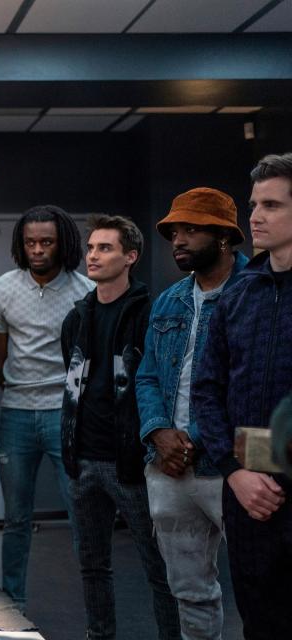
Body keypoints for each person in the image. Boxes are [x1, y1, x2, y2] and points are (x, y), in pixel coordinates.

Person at [135, 188, 248, 639]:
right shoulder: (169, 300)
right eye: (174, 231)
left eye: (191, 229)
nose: (178, 239)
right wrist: (158, 430)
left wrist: (194, 437)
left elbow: (247, 384)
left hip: (229, 463)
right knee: (189, 592)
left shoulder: (254, 292)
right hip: (169, 465)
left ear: (223, 237)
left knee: (263, 584)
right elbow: (146, 375)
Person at [60, 215, 179, 639]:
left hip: (130, 461)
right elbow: (74, 385)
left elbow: (160, 383)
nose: (93, 255)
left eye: (104, 248)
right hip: (82, 458)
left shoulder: (150, 313)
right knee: (92, 567)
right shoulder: (77, 317)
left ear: (130, 256)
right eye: (91, 248)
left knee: (159, 568)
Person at [193, 152, 292, 639]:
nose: (255, 217)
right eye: (255, 204)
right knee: (261, 621)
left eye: (271, 205)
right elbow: (206, 389)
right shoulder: (239, 292)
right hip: (249, 493)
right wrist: (235, 474)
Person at [0, 205, 92, 608]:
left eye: (46, 242)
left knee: (80, 512)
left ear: (61, 243)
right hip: (16, 413)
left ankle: (94, 600)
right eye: (30, 243)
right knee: (16, 518)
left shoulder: (84, 290)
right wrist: (16, 388)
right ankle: (14, 600)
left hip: (65, 414)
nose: (38, 250)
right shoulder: (3, 289)